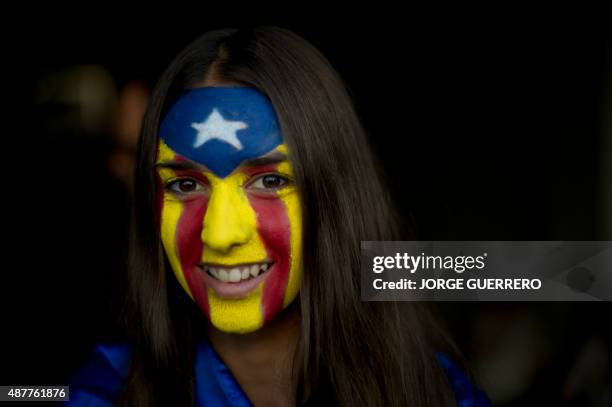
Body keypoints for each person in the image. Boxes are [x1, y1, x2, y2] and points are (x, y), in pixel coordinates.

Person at [66, 26, 491, 406]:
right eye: (185, 185)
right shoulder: (105, 391)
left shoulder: (436, 392)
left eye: (269, 182)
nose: (220, 234)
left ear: (333, 197)